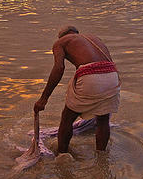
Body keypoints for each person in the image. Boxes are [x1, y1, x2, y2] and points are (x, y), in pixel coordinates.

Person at [34, 25, 120, 153]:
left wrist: (44, 98)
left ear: (62, 36)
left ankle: (62, 155)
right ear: (76, 32)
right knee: (103, 119)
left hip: (90, 77)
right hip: (112, 75)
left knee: (67, 118)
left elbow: (59, 68)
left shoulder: (61, 42)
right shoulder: (94, 38)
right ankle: (101, 156)